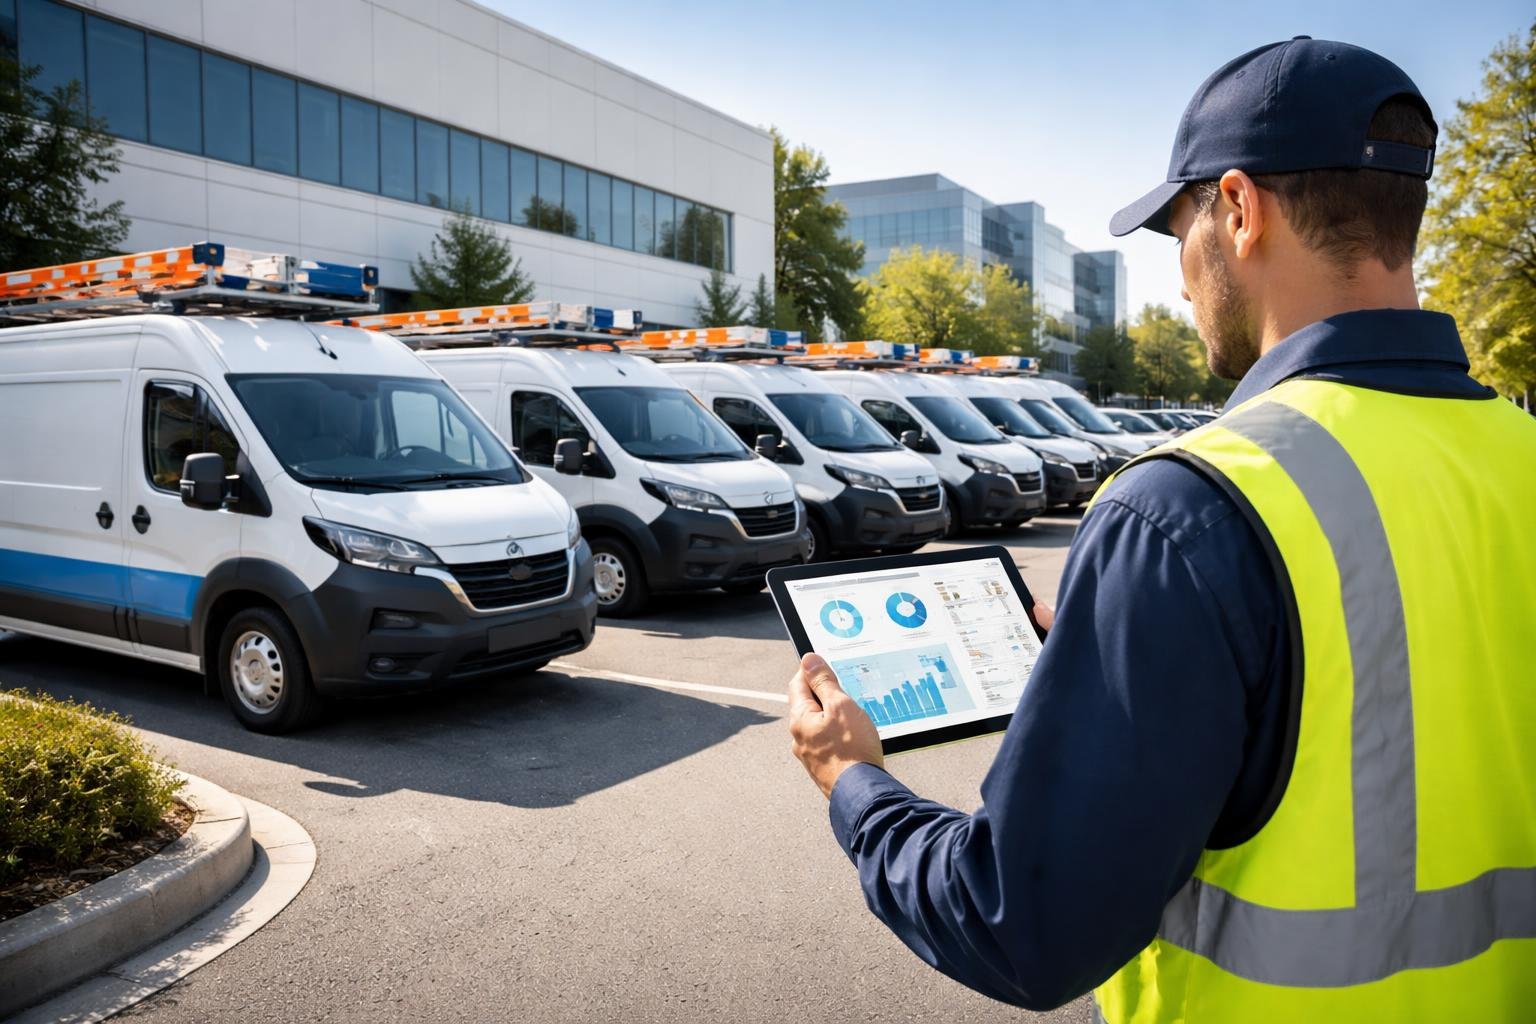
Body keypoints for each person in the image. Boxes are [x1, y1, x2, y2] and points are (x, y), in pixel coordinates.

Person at [786, 37, 1536, 1022]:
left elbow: (1020, 924)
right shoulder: (1514, 451)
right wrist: (1152, 654)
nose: (1183, 279)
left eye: (1179, 230)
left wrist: (853, 783)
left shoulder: (1185, 509)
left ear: (1237, 210)